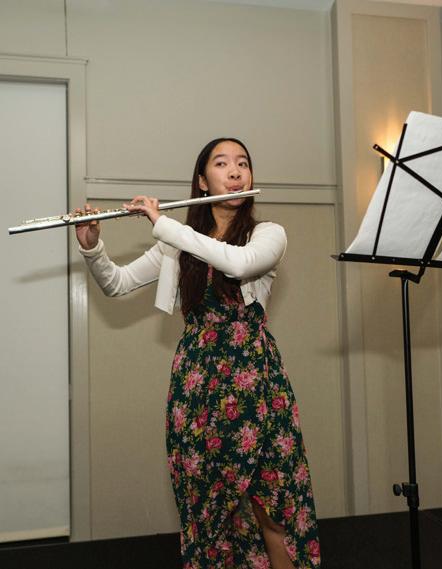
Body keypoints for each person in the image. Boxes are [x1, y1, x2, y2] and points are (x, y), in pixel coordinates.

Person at [75, 138, 321, 568]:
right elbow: (116, 283)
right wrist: (92, 246)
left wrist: (164, 224)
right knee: (209, 512)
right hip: (198, 384)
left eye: (243, 163)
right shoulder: (177, 243)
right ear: (203, 182)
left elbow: (238, 264)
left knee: (272, 503)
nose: (236, 171)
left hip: (255, 381)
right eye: (222, 163)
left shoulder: (268, 234)